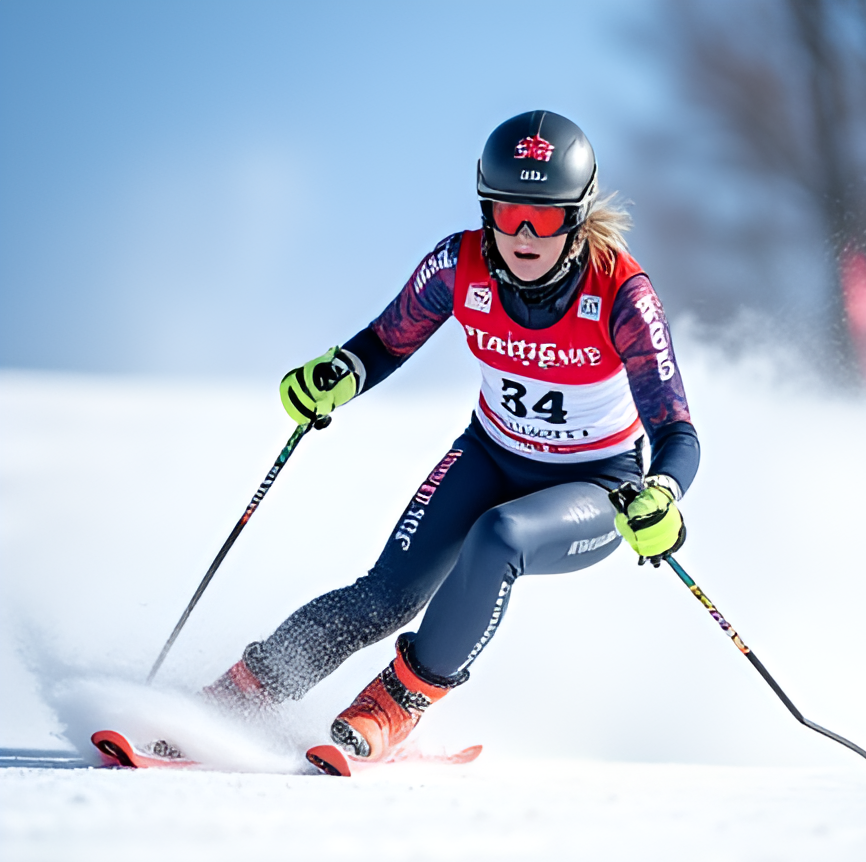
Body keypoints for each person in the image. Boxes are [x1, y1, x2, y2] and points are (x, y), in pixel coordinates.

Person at [204, 111, 700, 763]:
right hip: (489, 455)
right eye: (506, 211)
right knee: (383, 597)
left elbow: (675, 428)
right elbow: (386, 340)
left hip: (596, 484)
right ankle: (241, 694)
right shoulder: (456, 265)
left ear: (576, 218)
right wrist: (338, 376)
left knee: (501, 537)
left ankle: (396, 703)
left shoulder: (620, 293)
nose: (523, 233)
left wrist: (662, 494)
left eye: (546, 218)